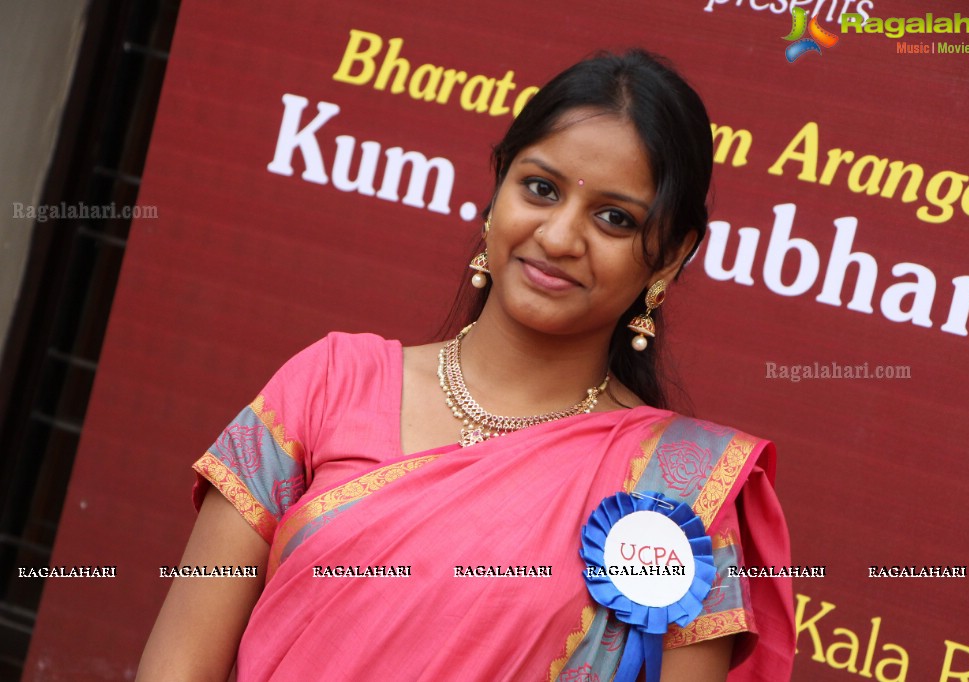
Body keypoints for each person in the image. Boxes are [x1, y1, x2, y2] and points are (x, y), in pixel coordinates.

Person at [138, 49, 795, 681]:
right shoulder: (328, 384)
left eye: (614, 219)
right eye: (539, 188)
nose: (559, 237)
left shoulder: (678, 491)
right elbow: (179, 666)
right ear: (496, 187)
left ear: (670, 256)